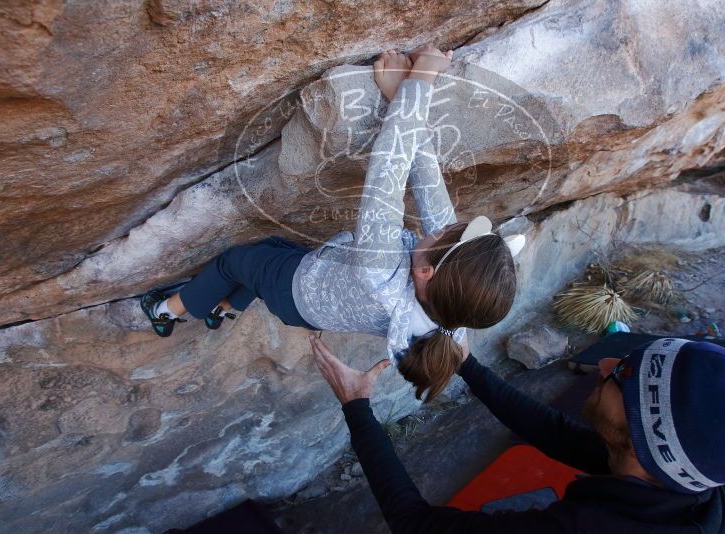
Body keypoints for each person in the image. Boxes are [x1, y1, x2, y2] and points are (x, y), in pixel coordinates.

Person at [140, 45, 523, 402]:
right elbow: (427, 182)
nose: (438, 227)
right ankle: (223, 307)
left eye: (441, 234)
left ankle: (167, 312)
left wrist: (420, 82)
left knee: (236, 262)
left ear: (425, 271)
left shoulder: (382, 270)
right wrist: (400, 98)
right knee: (267, 256)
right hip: (313, 293)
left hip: (297, 289)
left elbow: (388, 173)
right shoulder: (454, 309)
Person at [310, 335, 725, 532]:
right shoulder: (701, 479)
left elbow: (418, 525)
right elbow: (560, 434)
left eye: (618, 375)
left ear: (638, 437)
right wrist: (467, 365)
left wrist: (356, 405)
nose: (603, 363)